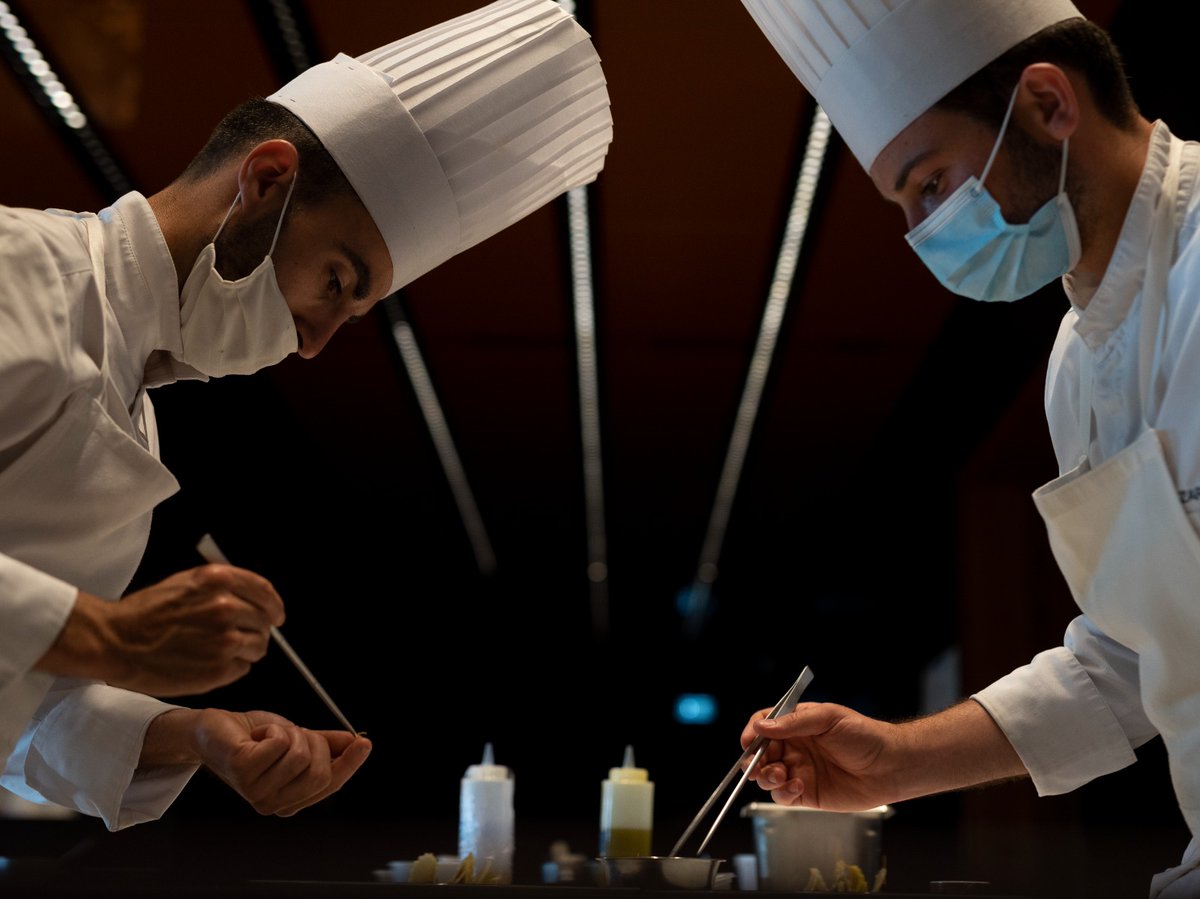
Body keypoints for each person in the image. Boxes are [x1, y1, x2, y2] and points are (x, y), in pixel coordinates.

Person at [0, 0, 612, 831]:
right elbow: (57, 643)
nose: (316, 342)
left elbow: (20, 706)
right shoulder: (18, 268)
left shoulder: (135, 407)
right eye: (335, 282)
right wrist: (112, 637)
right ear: (266, 181)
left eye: (349, 314)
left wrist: (195, 735)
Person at [737, 0, 1200, 895]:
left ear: (1048, 105)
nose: (923, 232)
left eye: (931, 183)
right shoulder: (1076, 366)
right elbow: (1131, 653)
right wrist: (895, 761)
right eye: (906, 206)